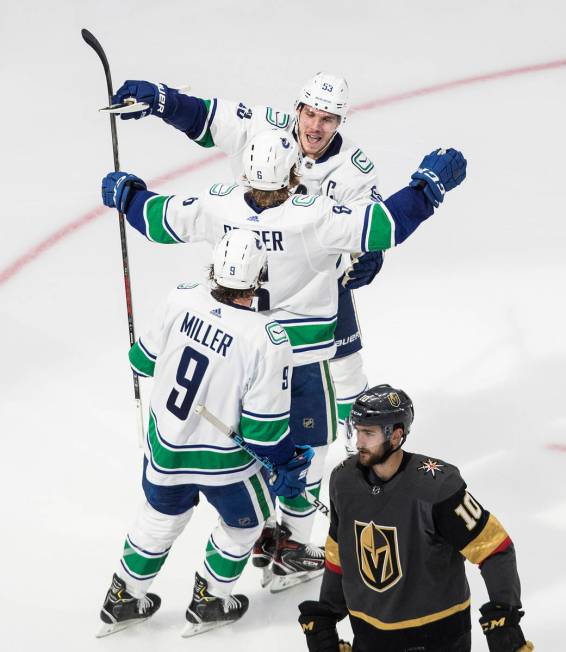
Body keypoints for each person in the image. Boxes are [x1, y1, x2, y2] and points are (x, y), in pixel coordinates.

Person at [100, 130, 467, 592]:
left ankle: (168, 570)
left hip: (230, 352)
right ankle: (287, 545)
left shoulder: (221, 205)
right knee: (306, 452)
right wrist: (429, 186)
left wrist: (127, 194)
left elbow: (161, 218)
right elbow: (385, 225)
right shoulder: (311, 216)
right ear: (295, 171)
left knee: (244, 448)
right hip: (299, 355)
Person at [110, 72, 384, 453]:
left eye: (328, 119)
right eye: (311, 114)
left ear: (340, 123)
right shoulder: (263, 128)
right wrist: (163, 101)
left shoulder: (354, 168)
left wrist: (371, 256)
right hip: (241, 278)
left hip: (312, 281)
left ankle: (358, 445)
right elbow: (206, 118)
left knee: (346, 366)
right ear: (298, 109)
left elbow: (370, 226)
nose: (316, 127)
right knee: (237, 365)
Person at [97, 230, 314, 637]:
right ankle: (210, 599)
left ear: (214, 270)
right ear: (259, 277)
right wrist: (287, 463)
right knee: (244, 525)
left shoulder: (181, 296)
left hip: (165, 447)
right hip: (224, 461)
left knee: (160, 517)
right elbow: (264, 433)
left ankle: (123, 597)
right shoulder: (267, 339)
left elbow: (140, 361)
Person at [298, 385, 534, 652]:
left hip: (437, 638)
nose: (359, 442)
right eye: (357, 431)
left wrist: (505, 618)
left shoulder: (436, 488)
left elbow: (495, 548)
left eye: (368, 433)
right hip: (369, 636)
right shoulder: (344, 481)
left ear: (396, 435)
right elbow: (339, 551)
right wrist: (327, 611)